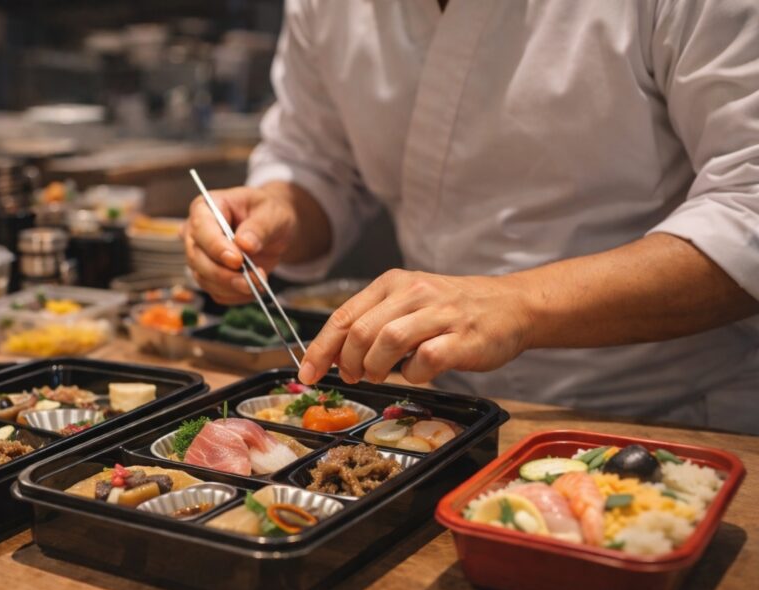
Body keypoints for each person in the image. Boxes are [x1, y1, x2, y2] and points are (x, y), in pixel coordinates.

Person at [184, 0, 759, 434]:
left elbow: (747, 207)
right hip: (440, 414)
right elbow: (319, 161)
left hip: (672, 414)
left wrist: (519, 303)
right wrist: (281, 210)